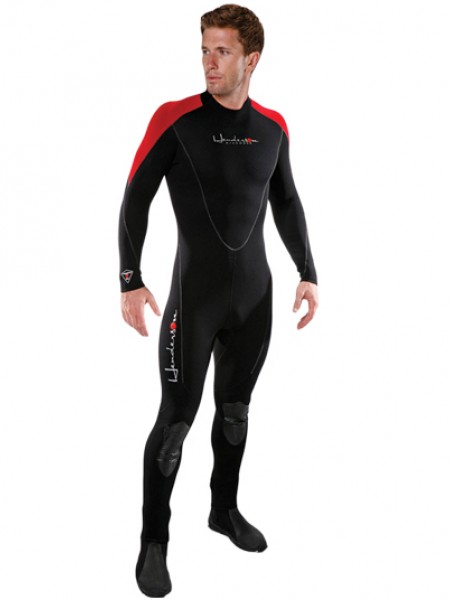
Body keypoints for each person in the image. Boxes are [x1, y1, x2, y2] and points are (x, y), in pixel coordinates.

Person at [118, 4, 318, 597]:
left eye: (222, 51)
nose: (209, 61)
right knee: (175, 424)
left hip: (255, 299)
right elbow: (134, 198)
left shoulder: (274, 127)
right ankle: (154, 542)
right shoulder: (176, 119)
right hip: (194, 301)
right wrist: (130, 279)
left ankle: (223, 511)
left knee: (235, 412)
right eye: (205, 49)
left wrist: (308, 272)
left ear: (251, 60)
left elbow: (287, 201)